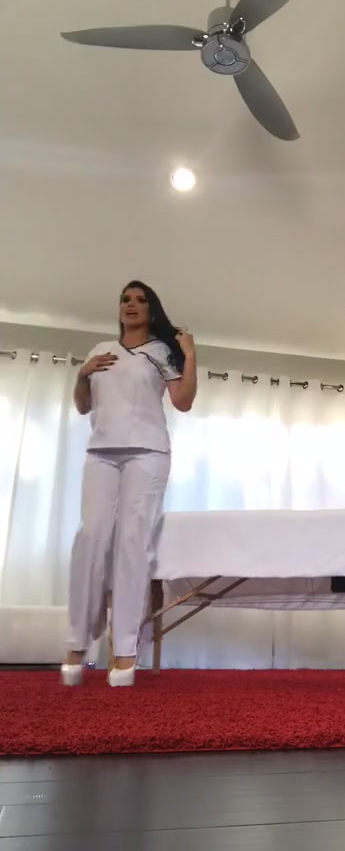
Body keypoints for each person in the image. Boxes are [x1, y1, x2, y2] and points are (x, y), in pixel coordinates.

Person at [61, 281, 197, 687]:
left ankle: (125, 646)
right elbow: (83, 406)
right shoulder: (100, 350)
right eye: (125, 299)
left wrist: (190, 354)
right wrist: (82, 374)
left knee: (132, 542)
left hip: (147, 453)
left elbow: (183, 401)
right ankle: (77, 640)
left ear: (152, 310)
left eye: (140, 300)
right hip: (101, 453)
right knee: (90, 537)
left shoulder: (161, 352)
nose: (131, 304)